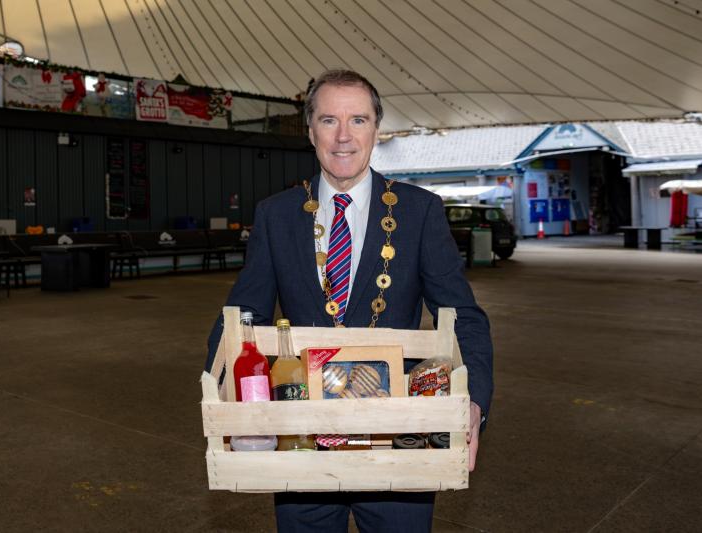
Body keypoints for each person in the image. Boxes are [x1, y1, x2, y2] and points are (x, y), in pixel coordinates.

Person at [205, 69, 493, 533]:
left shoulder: (419, 211)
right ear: (310, 130)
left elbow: (461, 316)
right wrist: (220, 389)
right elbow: (245, 313)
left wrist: (474, 400)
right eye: (328, 120)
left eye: (357, 120)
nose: (343, 136)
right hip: (301, 435)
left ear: (377, 129)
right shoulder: (276, 215)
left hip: (399, 436)